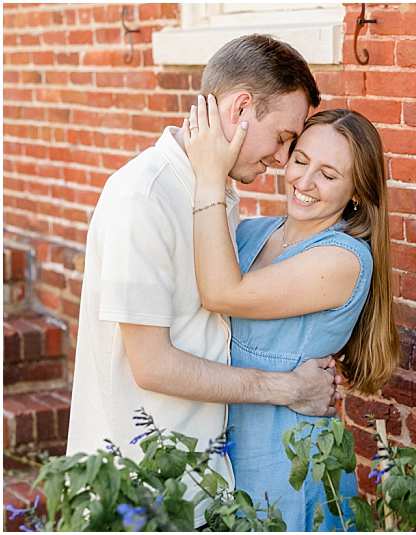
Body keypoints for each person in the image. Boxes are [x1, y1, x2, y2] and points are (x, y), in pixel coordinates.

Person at [66, 34, 341, 528]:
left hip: (201, 481)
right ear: (241, 108)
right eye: (282, 138)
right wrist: (288, 389)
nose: (283, 159)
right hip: (140, 490)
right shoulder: (143, 198)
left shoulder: (216, 192)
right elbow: (152, 366)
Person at [183, 97, 400, 530]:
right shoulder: (251, 231)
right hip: (223, 437)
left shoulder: (344, 258)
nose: (305, 180)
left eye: (329, 174)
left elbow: (222, 293)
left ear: (357, 192)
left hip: (288, 455)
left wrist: (210, 178)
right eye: (300, 160)